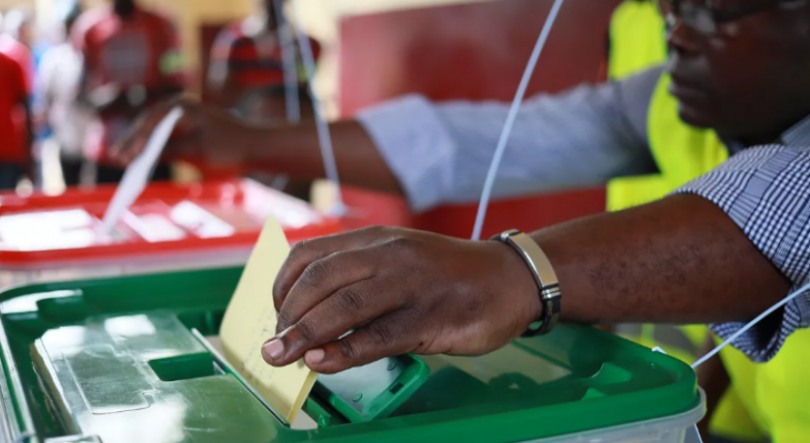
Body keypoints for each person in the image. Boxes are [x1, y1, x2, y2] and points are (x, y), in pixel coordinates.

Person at [114, 1, 810, 441]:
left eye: (722, 9)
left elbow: (790, 201)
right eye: (672, 7)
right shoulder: (665, 98)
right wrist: (248, 141)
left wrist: (514, 273)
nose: (677, 33)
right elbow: (474, 142)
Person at [73, 0, 185, 184]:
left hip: (153, 152)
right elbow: (80, 96)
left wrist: (142, 96)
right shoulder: (89, 29)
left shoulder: (163, 27)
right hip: (107, 152)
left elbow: (178, 84)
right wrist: (109, 99)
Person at [207, 0, 321, 124]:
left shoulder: (305, 44)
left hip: (293, 110)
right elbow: (220, 87)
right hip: (249, 112)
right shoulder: (234, 40)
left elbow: (304, 83)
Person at [38, 0, 88, 186]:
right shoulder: (55, 58)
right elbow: (46, 96)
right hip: (66, 132)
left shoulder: (89, 53)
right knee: (71, 184)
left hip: (91, 135)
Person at [0, 51, 32, 190]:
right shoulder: (11, 60)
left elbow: (23, 103)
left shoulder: (11, 60)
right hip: (7, 147)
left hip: (7, 149)